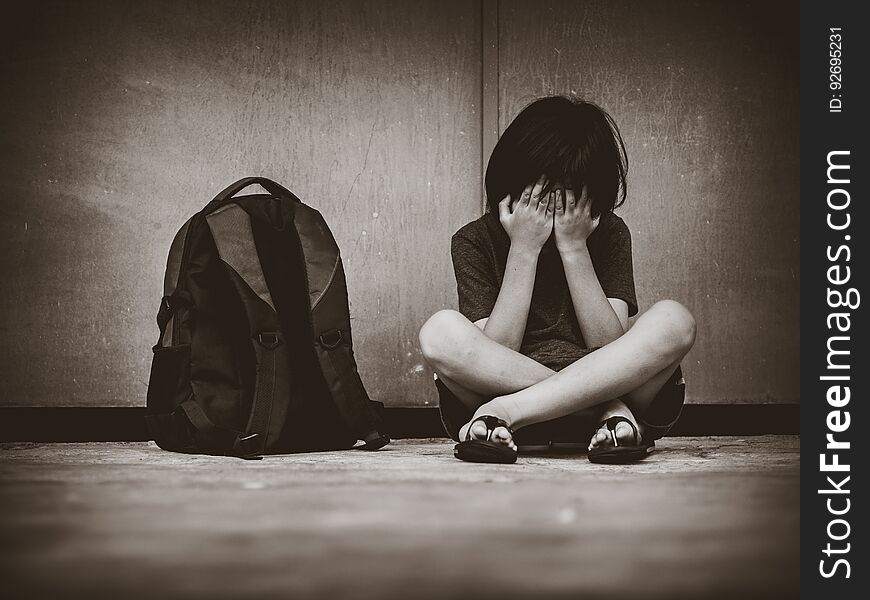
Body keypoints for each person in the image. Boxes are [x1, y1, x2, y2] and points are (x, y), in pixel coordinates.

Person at [418, 95, 696, 464]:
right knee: (438, 332)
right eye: (540, 190)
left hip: (524, 401)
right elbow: (497, 348)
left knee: (675, 320)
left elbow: (607, 343)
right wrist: (524, 248)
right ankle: (603, 412)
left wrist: (574, 248)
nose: (552, 204)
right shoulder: (474, 240)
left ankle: (517, 413)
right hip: (518, 385)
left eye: (568, 193)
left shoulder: (608, 233)